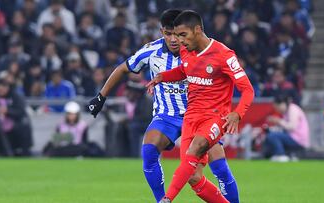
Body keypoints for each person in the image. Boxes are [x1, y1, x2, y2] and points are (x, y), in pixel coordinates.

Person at [89, 9, 241, 203]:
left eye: (177, 34)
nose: (173, 39)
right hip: (167, 116)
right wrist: (101, 97)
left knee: (216, 168)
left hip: (200, 117)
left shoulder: (200, 49)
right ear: (162, 32)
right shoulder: (151, 51)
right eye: (168, 34)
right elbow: (123, 68)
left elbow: (227, 76)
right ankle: (161, 200)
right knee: (149, 150)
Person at [145, 10, 254, 202]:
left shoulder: (224, 55)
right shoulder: (186, 51)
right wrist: (162, 77)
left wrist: (237, 114)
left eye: (183, 35)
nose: (179, 41)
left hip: (215, 116)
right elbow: (184, 70)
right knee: (194, 177)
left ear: (197, 30)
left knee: (197, 150)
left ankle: (167, 199)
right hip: (191, 116)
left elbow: (247, 90)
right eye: (176, 35)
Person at [0, 79, 32, 156]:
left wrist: (8, 111)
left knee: (24, 127)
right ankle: (4, 153)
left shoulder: (15, 97)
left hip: (15, 125)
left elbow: (21, 112)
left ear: (7, 88)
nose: (0, 91)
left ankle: (21, 152)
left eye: (2, 88)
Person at [264, 95, 309, 162]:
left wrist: (278, 121)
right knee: (271, 135)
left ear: (282, 104)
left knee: (272, 136)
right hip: (294, 137)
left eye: (277, 107)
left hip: (298, 139)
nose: (277, 110)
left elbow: (292, 126)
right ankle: (281, 155)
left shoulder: (293, 109)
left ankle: (281, 155)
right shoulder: (287, 111)